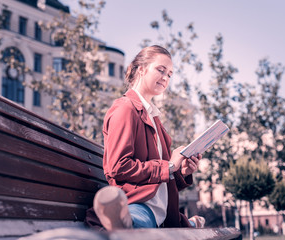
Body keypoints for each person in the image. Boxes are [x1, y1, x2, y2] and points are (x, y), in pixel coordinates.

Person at [86, 45, 205, 231]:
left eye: (170, 74)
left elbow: (161, 182)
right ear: (141, 69)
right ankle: (120, 224)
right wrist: (169, 166)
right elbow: (118, 167)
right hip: (140, 206)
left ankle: (188, 223)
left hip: (163, 212)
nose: (166, 78)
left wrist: (182, 171)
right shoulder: (125, 108)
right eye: (161, 70)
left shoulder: (154, 119)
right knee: (138, 223)